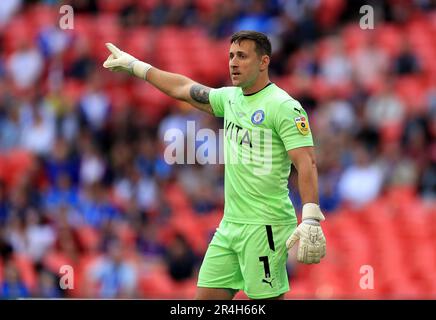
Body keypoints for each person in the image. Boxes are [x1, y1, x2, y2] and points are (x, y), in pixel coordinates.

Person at [103, 30, 326, 300]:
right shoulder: (230, 99)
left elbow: (306, 161)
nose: (233, 62)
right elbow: (184, 89)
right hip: (230, 225)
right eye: (231, 55)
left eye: (242, 56)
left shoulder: (284, 106)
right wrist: (135, 66)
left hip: (266, 225)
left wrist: (311, 217)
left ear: (263, 62)